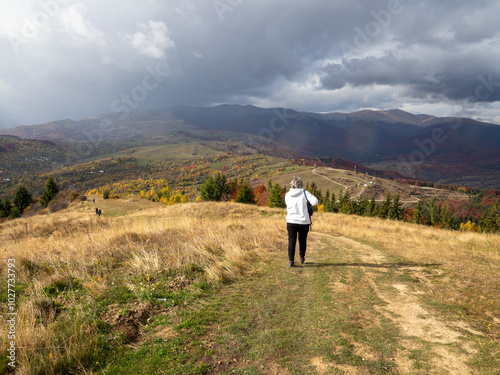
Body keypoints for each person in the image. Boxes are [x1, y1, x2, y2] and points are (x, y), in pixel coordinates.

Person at [285, 176, 318, 267]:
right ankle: (301, 258)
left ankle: (291, 261)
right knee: (302, 240)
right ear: (301, 184)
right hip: (303, 221)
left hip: (291, 221)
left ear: (291, 185)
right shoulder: (305, 193)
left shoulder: (287, 194)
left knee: (291, 241)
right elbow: (315, 201)